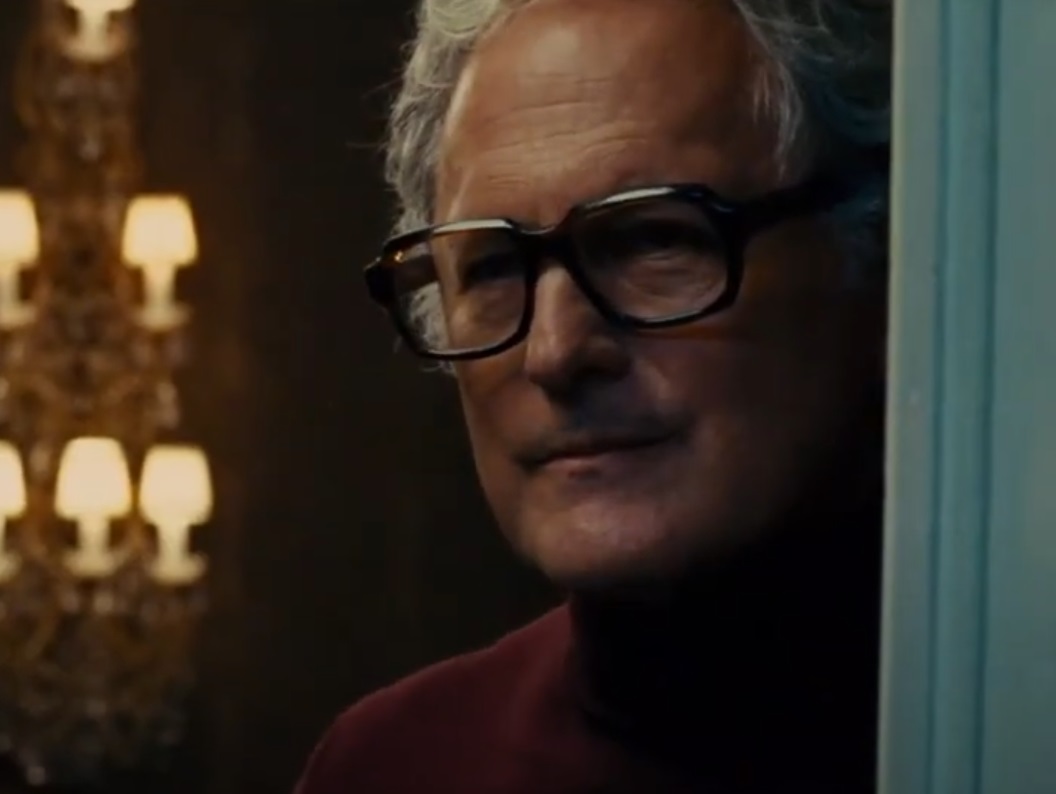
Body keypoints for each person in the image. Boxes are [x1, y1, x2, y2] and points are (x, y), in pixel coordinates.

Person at [296, 0, 891, 791]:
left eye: (651, 239)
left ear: (878, 256)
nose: (554, 351)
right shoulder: (391, 766)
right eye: (494, 267)